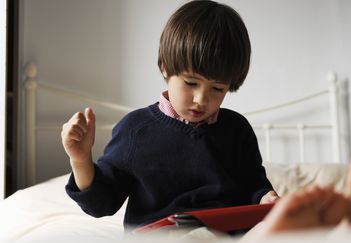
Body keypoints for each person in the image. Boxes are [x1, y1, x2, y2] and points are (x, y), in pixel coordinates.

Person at [61, 0, 279, 231]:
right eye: (191, 82)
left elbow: (253, 184)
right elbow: (101, 204)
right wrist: (80, 159)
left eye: (218, 89)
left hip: (225, 233)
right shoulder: (135, 130)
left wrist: (265, 197)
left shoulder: (237, 129)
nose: (201, 99)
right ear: (165, 67)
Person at [240, 153, 351, 242]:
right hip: (214, 222)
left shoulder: (237, 126)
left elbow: (254, 180)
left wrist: (265, 195)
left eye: (218, 89)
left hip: (249, 219)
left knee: (263, 226)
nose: (211, 99)